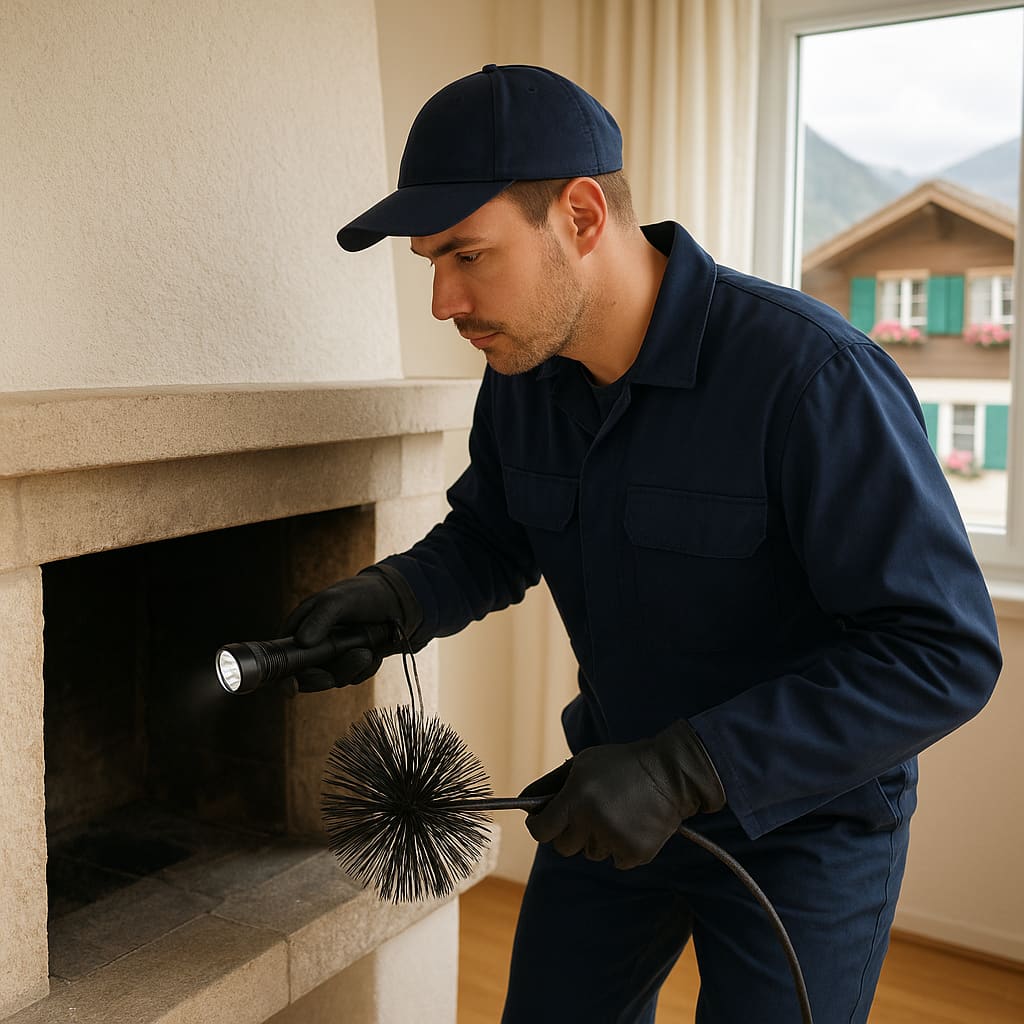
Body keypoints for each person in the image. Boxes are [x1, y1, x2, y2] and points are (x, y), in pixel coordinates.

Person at [285, 64, 1002, 1023]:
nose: (444, 301)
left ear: (582, 216)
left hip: (805, 826)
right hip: (610, 801)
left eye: (468, 255)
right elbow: (495, 537)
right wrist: (396, 598)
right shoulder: (523, 375)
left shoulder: (812, 377)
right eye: (431, 265)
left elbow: (941, 651)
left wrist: (684, 769)